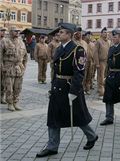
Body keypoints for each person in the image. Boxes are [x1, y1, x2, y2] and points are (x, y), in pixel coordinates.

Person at [36, 23, 98, 158]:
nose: (59, 34)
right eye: (59, 32)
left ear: (69, 34)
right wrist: (52, 87)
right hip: (58, 86)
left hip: (69, 87)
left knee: (78, 116)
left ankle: (92, 136)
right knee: (53, 116)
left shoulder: (78, 50)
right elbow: (55, 70)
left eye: (62, 32)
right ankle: (52, 146)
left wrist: (74, 92)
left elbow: (79, 73)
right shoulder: (59, 48)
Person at [100, 29, 120, 126]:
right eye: (112, 37)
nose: (113, 38)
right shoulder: (111, 48)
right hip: (111, 76)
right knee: (108, 97)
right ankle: (109, 117)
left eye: (115, 37)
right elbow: (108, 64)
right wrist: (106, 75)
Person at [0, 26, 28, 111]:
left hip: (19, 68)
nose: (17, 32)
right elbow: (0, 56)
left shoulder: (21, 42)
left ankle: (16, 102)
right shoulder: (4, 41)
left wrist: (24, 67)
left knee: (18, 87)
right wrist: (2, 67)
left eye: (18, 31)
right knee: (9, 87)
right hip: (8, 67)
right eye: (15, 31)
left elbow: (25, 56)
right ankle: (10, 103)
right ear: (11, 31)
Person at [94, 27, 111, 99]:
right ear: (101, 34)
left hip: (107, 62)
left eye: (107, 32)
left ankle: (104, 89)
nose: (106, 34)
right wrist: (97, 63)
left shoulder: (109, 42)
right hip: (101, 62)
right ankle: (101, 92)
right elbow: (95, 53)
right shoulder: (99, 41)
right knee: (101, 77)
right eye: (104, 32)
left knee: (106, 76)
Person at [0, 27, 7, 104]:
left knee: (3, 82)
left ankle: (2, 97)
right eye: (2, 31)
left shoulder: (5, 41)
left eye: (4, 31)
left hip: (4, 64)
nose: (3, 33)